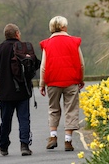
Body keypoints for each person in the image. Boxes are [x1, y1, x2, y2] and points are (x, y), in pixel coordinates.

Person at [0, 23, 40, 156]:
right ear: (17, 34)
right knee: (24, 118)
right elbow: (37, 63)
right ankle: (24, 145)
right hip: (23, 90)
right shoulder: (24, 48)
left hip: (5, 92)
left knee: (6, 120)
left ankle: (3, 145)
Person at [39, 16, 85, 151]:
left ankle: (53, 136)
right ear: (64, 27)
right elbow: (81, 64)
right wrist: (80, 79)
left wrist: (42, 84)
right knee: (71, 109)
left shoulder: (47, 44)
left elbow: (43, 66)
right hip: (71, 80)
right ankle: (68, 141)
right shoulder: (74, 41)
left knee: (53, 108)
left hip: (53, 81)